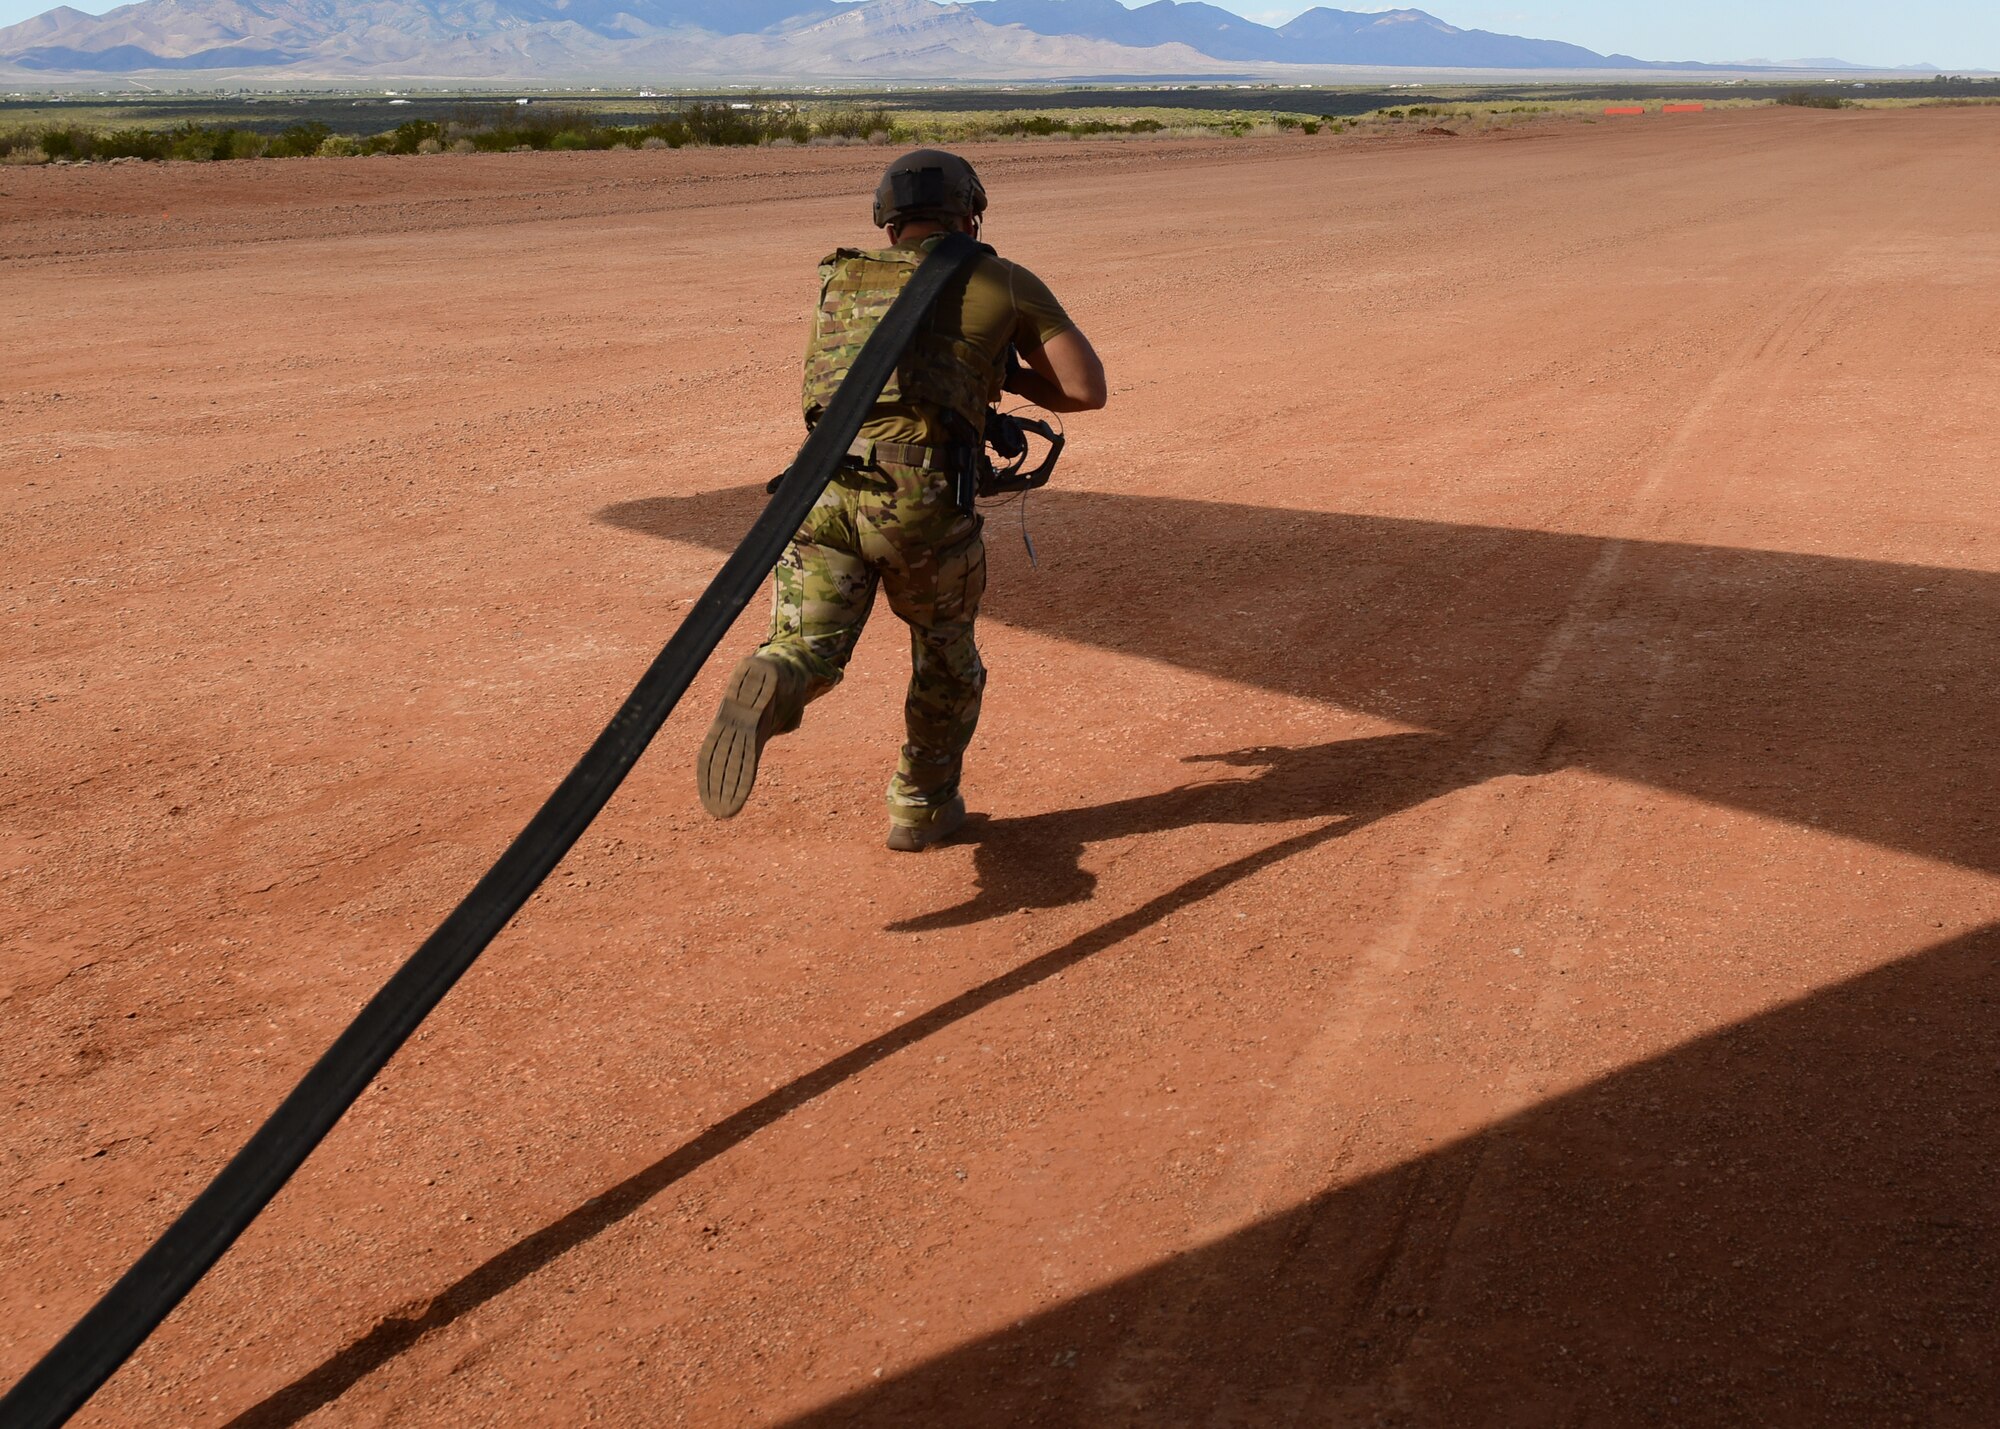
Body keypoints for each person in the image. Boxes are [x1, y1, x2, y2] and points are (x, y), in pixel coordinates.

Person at [696, 148, 1107, 851]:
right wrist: (1002, 374)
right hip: (921, 498)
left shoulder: (843, 277)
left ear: (887, 224)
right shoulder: (1001, 278)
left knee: (810, 648)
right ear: (969, 216)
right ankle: (923, 805)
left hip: (819, 486)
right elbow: (1084, 389)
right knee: (945, 655)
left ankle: (776, 674)